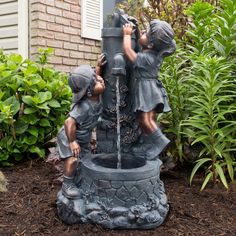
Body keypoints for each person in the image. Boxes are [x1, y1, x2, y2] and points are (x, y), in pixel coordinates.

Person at [123, 19, 176, 160]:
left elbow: (129, 52)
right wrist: (139, 29)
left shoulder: (147, 58)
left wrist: (127, 35)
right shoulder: (154, 53)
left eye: (146, 33)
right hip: (152, 89)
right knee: (149, 118)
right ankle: (148, 144)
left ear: (151, 44)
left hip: (146, 90)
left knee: (145, 119)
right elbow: (143, 42)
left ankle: (160, 141)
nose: (143, 34)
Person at [57, 54, 106, 199]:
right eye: (97, 81)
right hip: (69, 136)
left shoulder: (95, 97)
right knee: (73, 159)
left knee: (86, 159)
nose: (101, 80)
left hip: (82, 137)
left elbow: (94, 79)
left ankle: (81, 180)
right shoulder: (83, 106)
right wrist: (72, 142)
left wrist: (98, 68)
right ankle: (68, 185)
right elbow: (69, 122)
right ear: (89, 91)